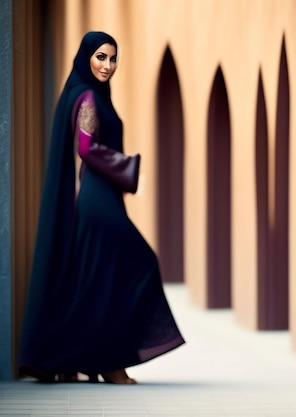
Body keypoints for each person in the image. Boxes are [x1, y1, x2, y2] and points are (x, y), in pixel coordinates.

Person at [19, 31, 185, 384]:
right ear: (85, 58)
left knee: (95, 279)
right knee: (137, 264)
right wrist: (129, 167)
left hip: (99, 195)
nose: (108, 65)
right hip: (96, 198)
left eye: (113, 59)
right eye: (100, 57)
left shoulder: (87, 93)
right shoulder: (88, 97)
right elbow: (86, 147)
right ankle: (109, 363)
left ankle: (77, 359)